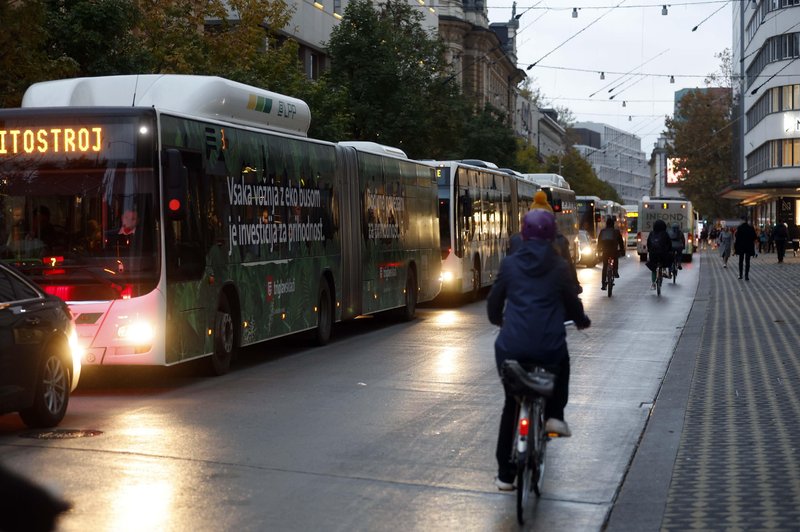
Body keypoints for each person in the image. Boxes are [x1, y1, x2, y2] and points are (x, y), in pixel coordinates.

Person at [487, 209, 590, 491]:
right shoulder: (558, 267)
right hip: (548, 348)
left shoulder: (509, 265)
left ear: (523, 232)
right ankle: (555, 414)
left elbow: (494, 303)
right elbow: (572, 302)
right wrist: (581, 321)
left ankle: (505, 476)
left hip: (511, 349)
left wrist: (498, 320)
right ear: (551, 234)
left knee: (511, 402)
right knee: (564, 361)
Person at [597, 216, 624, 291]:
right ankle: (615, 272)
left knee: (605, 266)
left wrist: (598, 250)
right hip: (613, 251)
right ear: (613, 224)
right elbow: (621, 242)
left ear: (606, 224)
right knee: (615, 260)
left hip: (605, 251)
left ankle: (603, 284)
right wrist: (622, 251)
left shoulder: (603, 231)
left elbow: (599, 242)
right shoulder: (616, 231)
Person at [646, 219, 672, 289]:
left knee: (653, 268)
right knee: (667, 260)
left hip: (653, 254)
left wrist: (649, 250)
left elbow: (648, 243)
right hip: (663, 254)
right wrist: (669, 250)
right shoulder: (665, 233)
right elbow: (669, 244)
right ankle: (664, 271)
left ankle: (653, 283)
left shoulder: (651, 233)